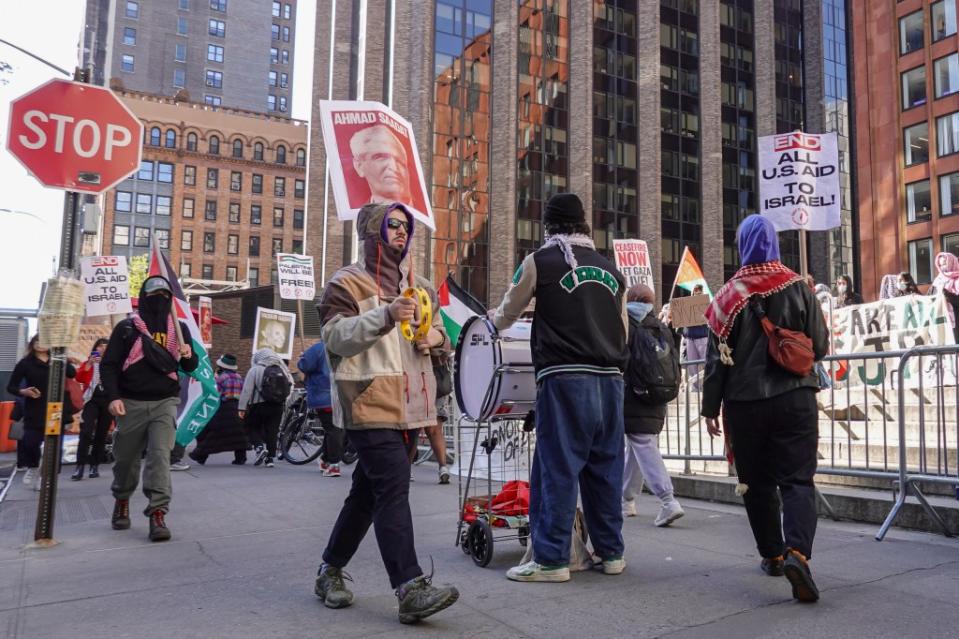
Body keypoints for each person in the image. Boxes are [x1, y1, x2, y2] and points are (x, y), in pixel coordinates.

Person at [314, 202, 458, 624]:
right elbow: (335, 337)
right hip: (368, 403)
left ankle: (329, 571)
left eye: (406, 226)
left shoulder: (422, 286)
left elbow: (444, 336)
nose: (401, 232)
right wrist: (385, 315)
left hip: (414, 406)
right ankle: (410, 588)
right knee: (393, 486)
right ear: (374, 233)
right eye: (392, 225)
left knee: (366, 495)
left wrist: (434, 339)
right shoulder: (346, 283)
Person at [491, 192, 629, 583]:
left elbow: (507, 313)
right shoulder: (612, 271)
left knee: (557, 467)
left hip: (566, 377)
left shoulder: (541, 261)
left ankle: (551, 560)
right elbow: (623, 332)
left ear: (549, 226)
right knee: (605, 470)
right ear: (584, 225)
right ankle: (611, 552)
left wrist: (491, 325)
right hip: (611, 382)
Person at [701, 215, 828, 603]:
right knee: (797, 479)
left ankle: (772, 555)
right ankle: (798, 553)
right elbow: (820, 346)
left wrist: (709, 408)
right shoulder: (799, 286)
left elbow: (714, 362)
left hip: (745, 404)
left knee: (756, 484)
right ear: (774, 243)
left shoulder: (726, 296)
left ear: (741, 245)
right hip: (796, 398)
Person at [100, 276, 199, 542]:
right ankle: (122, 498)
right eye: (155, 295)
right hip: (130, 403)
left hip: (165, 403)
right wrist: (113, 397)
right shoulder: (126, 328)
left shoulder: (179, 330)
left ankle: (158, 513)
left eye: (165, 295)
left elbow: (189, 367)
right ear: (144, 296)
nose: (160, 300)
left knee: (159, 457)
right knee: (125, 461)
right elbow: (108, 365)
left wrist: (189, 356)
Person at [622, 284, 685, 527]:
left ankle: (668, 501)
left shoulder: (624, 323)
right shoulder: (660, 327)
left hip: (632, 394)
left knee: (641, 443)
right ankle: (626, 499)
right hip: (658, 396)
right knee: (640, 445)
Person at [7, 335, 77, 490]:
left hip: (56, 408)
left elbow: (72, 374)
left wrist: (63, 357)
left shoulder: (57, 359)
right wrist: (24, 392)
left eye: (44, 341)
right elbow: (11, 387)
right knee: (30, 441)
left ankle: (45, 478)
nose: (40, 345)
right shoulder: (25, 363)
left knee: (54, 445)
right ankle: (32, 466)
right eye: (37, 341)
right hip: (35, 407)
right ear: (32, 344)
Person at [189, 355, 249, 465]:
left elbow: (215, 393)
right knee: (238, 434)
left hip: (223, 407)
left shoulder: (221, 378)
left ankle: (200, 455)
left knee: (210, 432)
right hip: (237, 406)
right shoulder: (239, 377)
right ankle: (241, 458)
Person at [238, 348, 293, 468]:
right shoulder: (282, 369)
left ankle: (259, 447)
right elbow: (289, 387)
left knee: (252, 426)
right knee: (272, 431)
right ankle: (270, 459)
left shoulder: (254, 370)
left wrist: (242, 407)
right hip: (277, 406)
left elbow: (247, 390)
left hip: (258, 405)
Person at [298, 341, 343, 477]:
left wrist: (302, 358)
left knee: (332, 429)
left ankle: (333, 464)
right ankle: (325, 459)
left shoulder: (319, 348)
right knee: (335, 429)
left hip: (324, 395)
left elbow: (304, 365)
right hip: (343, 394)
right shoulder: (346, 344)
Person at [72, 338, 111, 480]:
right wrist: (89, 363)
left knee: (102, 433)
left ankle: (94, 465)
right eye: (100, 346)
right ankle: (80, 466)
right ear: (96, 348)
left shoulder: (113, 363)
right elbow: (79, 378)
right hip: (91, 400)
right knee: (86, 432)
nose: (103, 348)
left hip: (108, 400)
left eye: (106, 346)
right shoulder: (89, 363)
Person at [350, 125, 412, 204]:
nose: (393, 167)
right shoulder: (356, 215)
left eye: (399, 160)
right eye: (380, 157)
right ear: (359, 166)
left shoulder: (415, 215)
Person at [682, 284, 709, 391]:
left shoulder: (706, 305)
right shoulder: (687, 305)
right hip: (689, 338)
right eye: (694, 291)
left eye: (699, 292)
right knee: (692, 366)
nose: (696, 293)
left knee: (704, 363)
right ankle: (695, 388)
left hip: (702, 337)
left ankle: (706, 387)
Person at [929, 252, 959, 343]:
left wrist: (947, 295)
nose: (942, 267)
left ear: (952, 262)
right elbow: (930, 297)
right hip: (940, 320)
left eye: (944, 263)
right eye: (940, 265)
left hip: (956, 320)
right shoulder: (937, 281)